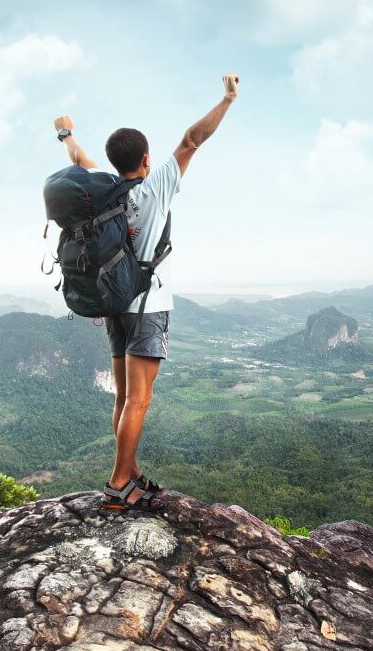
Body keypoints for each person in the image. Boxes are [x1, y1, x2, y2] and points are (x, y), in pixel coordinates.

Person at [53, 74, 239, 511]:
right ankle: (119, 483)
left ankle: (130, 470)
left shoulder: (104, 190)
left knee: (123, 397)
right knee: (140, 399)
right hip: (147, 305)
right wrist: (228, 98)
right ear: (146, 158)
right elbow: (193, 139)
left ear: (116, 162)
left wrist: (66, 134)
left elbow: (79, 159)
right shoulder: (156, 186)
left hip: (114, 303)